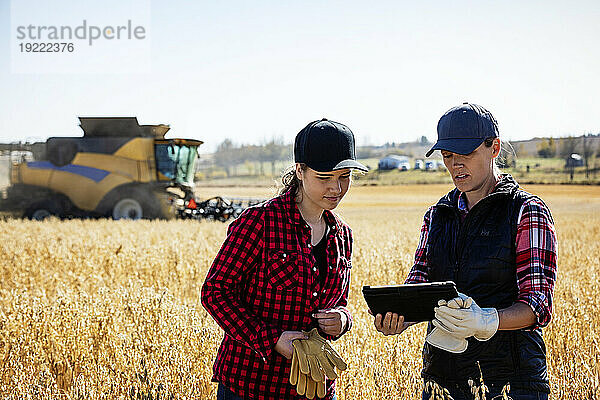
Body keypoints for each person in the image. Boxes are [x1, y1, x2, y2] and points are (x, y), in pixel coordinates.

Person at [372, 103, 557, 400]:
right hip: (442, 379)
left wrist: (487, 320)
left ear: (494, 148)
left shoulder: (526, 211)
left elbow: (537, 306)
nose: (456, 164)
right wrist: (400, 316)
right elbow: (419, 283)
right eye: (448, 156)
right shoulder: (437, 215)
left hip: (511, 382)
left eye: (466, 154)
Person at [202, 118, 368, 400]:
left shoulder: (343, 235)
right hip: (250, 385)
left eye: (344, 177)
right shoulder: (259, 222)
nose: (336, 189)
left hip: (314, 385)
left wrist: (342, 319)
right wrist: (270, 339)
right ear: (300, 171)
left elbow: (339, 302)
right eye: (324, 178)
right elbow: (215, 292)